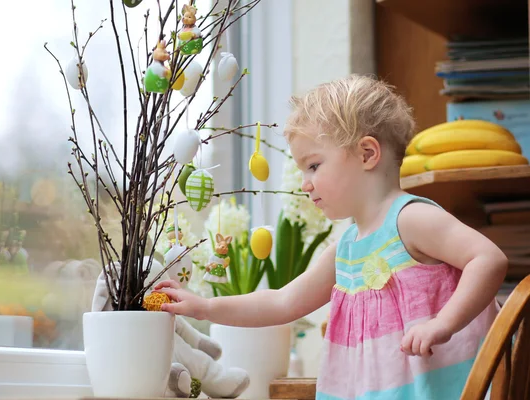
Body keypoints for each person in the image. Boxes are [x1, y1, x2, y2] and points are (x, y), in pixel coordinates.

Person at [155, 74, 507, 400]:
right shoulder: (348, 245)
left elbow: (488, 259)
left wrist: (443, 324)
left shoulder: (411, 219)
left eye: (314, 165)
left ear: (367, 154)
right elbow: (283, 302)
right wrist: (205, 306)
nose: (305, 183)